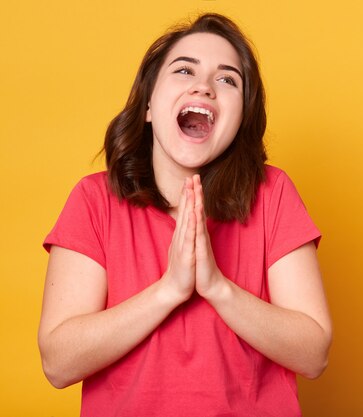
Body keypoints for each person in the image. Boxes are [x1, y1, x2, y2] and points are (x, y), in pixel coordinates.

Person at [38, 13, 332, 417]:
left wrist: (216, 286)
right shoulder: (93, 200)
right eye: (184, 70)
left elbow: (313, 353)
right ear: (147, 106)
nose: (204, 86)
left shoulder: (273, 193)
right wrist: (169, 289)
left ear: (241, 119)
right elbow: (58, 363)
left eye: (227, 79)